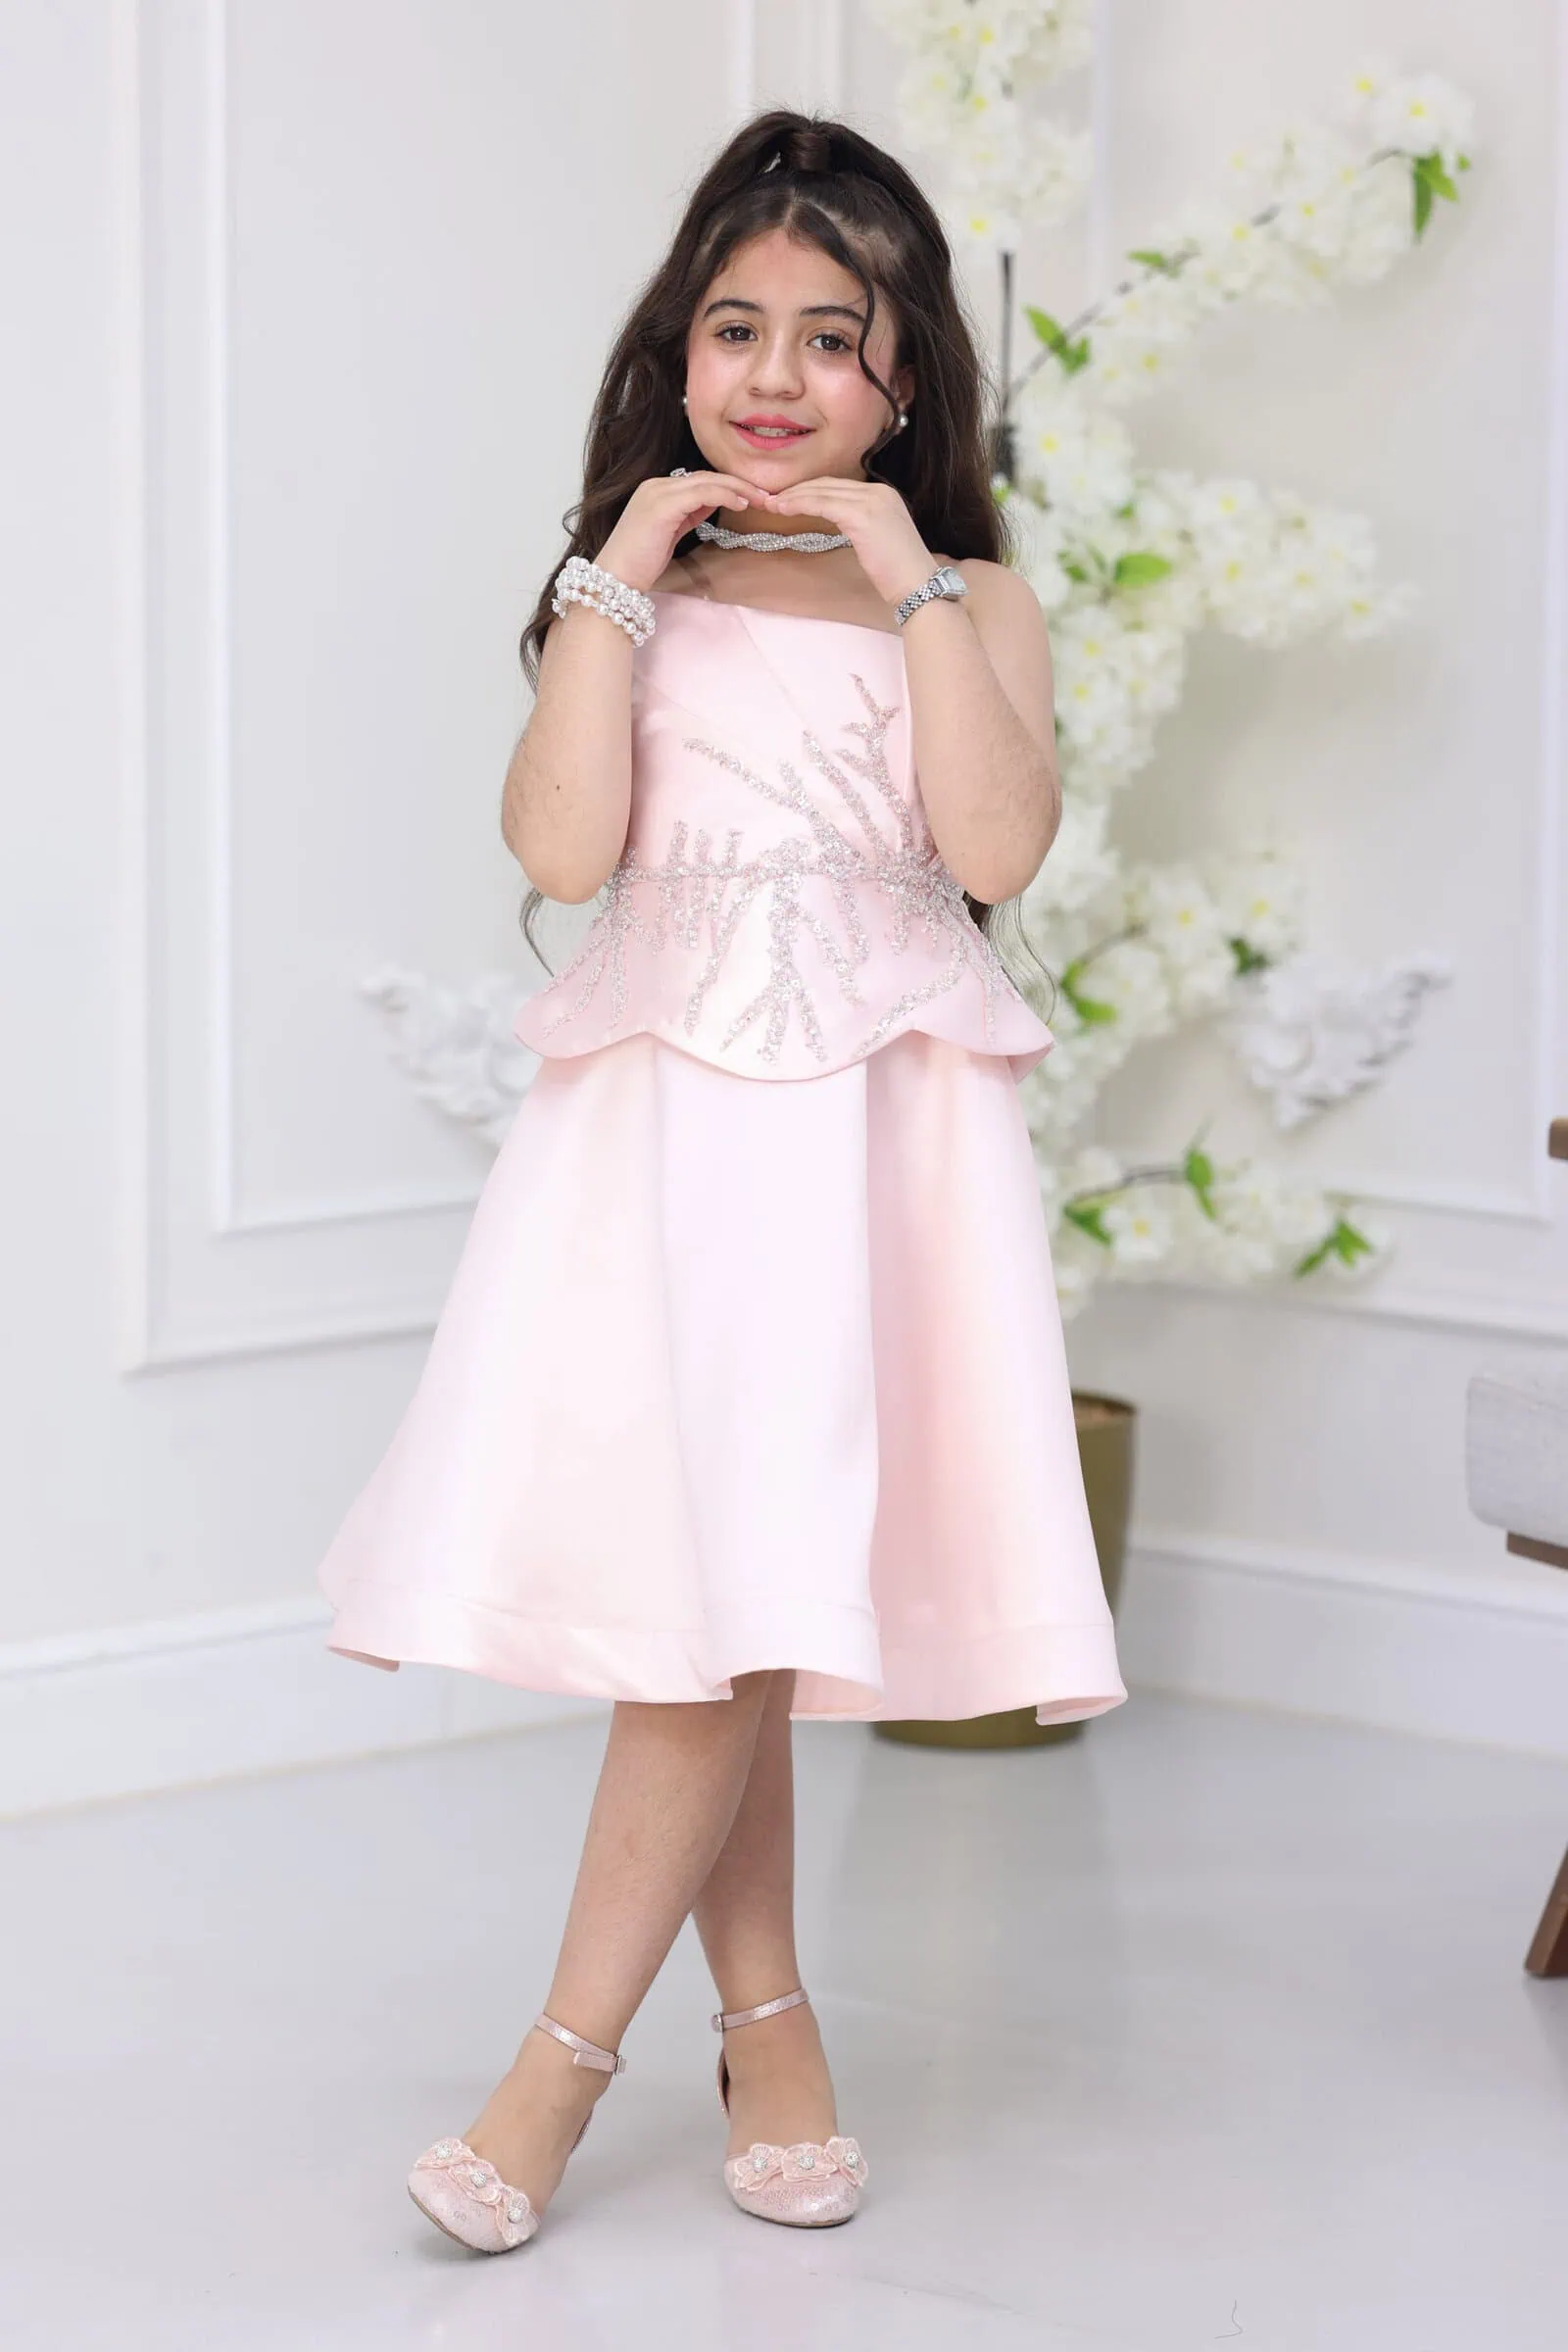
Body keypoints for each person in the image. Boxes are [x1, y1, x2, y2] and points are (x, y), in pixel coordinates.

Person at [316, 106, 1127, 2255]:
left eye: (829, 338)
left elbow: (994, 849)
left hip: (861, 1151)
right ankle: (767, 2026)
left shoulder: (970, 597)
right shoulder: (633, 591)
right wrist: (617, 574)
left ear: (904, 374)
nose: (774, 376)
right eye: (733, 328)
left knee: (728, 1608)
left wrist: (908, 581)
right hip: (658, 1143)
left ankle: (555, 2070)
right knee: (715, 1602)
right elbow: (564, 852)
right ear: (676, 349)